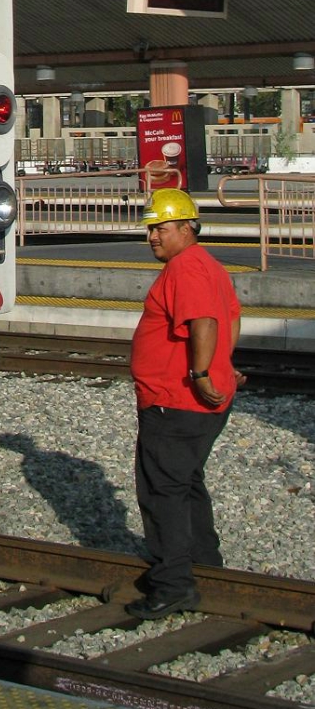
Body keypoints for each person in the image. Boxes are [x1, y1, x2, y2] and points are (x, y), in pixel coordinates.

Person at [127, 188, 241, 618]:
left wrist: (202, 372)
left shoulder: (185, 269)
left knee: (163, 491)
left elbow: (205, 321)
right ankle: (206, 566)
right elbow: (232, 316)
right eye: (151, 227)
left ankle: (173, 584)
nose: (154, 236)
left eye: (162, 227)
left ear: (187, 228)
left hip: (175, 401)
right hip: (192, 404)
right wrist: (222, 365)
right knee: (188, 482)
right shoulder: (209, 266)